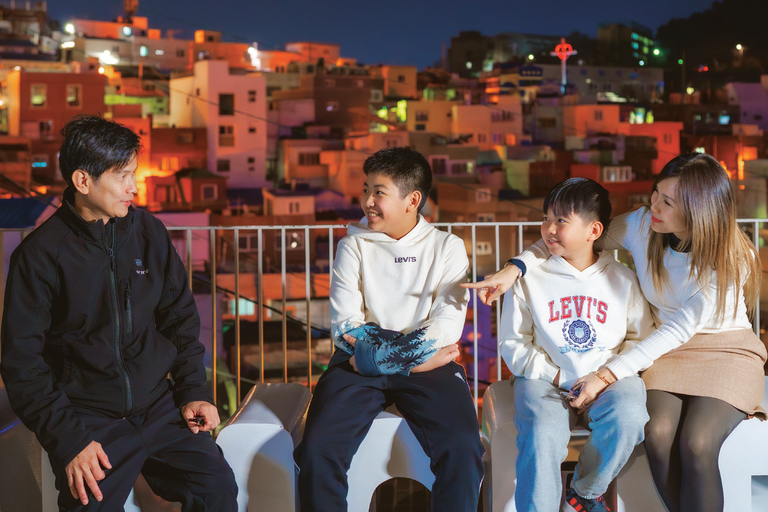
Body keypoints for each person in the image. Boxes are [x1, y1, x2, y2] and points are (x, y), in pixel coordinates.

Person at [466, 153, 767, 512]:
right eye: (656, 193)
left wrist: (605, 375)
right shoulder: (644, 226)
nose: (653, 206)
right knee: (656, 433)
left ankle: (588, 491)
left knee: (697, 443)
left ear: (698, 211)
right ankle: (587, 494)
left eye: (667, 202)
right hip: (665, 351)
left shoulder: (732, 259)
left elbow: (678, 329)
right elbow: (573, 234)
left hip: (722, 350)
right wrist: (517, 267)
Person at [0, 115, 237, 511]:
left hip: (159, 406)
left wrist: (193, 391)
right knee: (90, 504)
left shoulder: (150, 233)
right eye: (122, 176)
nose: (134, 187)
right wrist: (69, 439)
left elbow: (180, 319)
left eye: (134, 174)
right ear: (83, 181)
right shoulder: (40, 255)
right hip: (87, 417)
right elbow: (22, 361)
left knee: (216, 488)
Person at [295, 146, 484, 512]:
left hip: (385, 361)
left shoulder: (447, 247)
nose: (367, 201)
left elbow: (447, 326)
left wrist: (378, 357)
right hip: (369, 360)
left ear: (412, 200)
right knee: (318, 448)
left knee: (463, 447)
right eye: (366, 190)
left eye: (378, 192)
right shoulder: (352, 245)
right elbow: (345, 327)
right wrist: (414, 360)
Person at [499, 178, 653, 512]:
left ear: (593, 230)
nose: (549, 228)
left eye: (561, 220)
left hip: (607, 381)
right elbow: (513, 343)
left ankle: (584, 492)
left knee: (629, 415)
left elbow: (639, 339)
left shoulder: (623, 279)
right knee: (541, 434)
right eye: (546, 218)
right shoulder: (529, 278)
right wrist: (556, 375)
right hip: (545, 379)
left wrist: (606, 377)